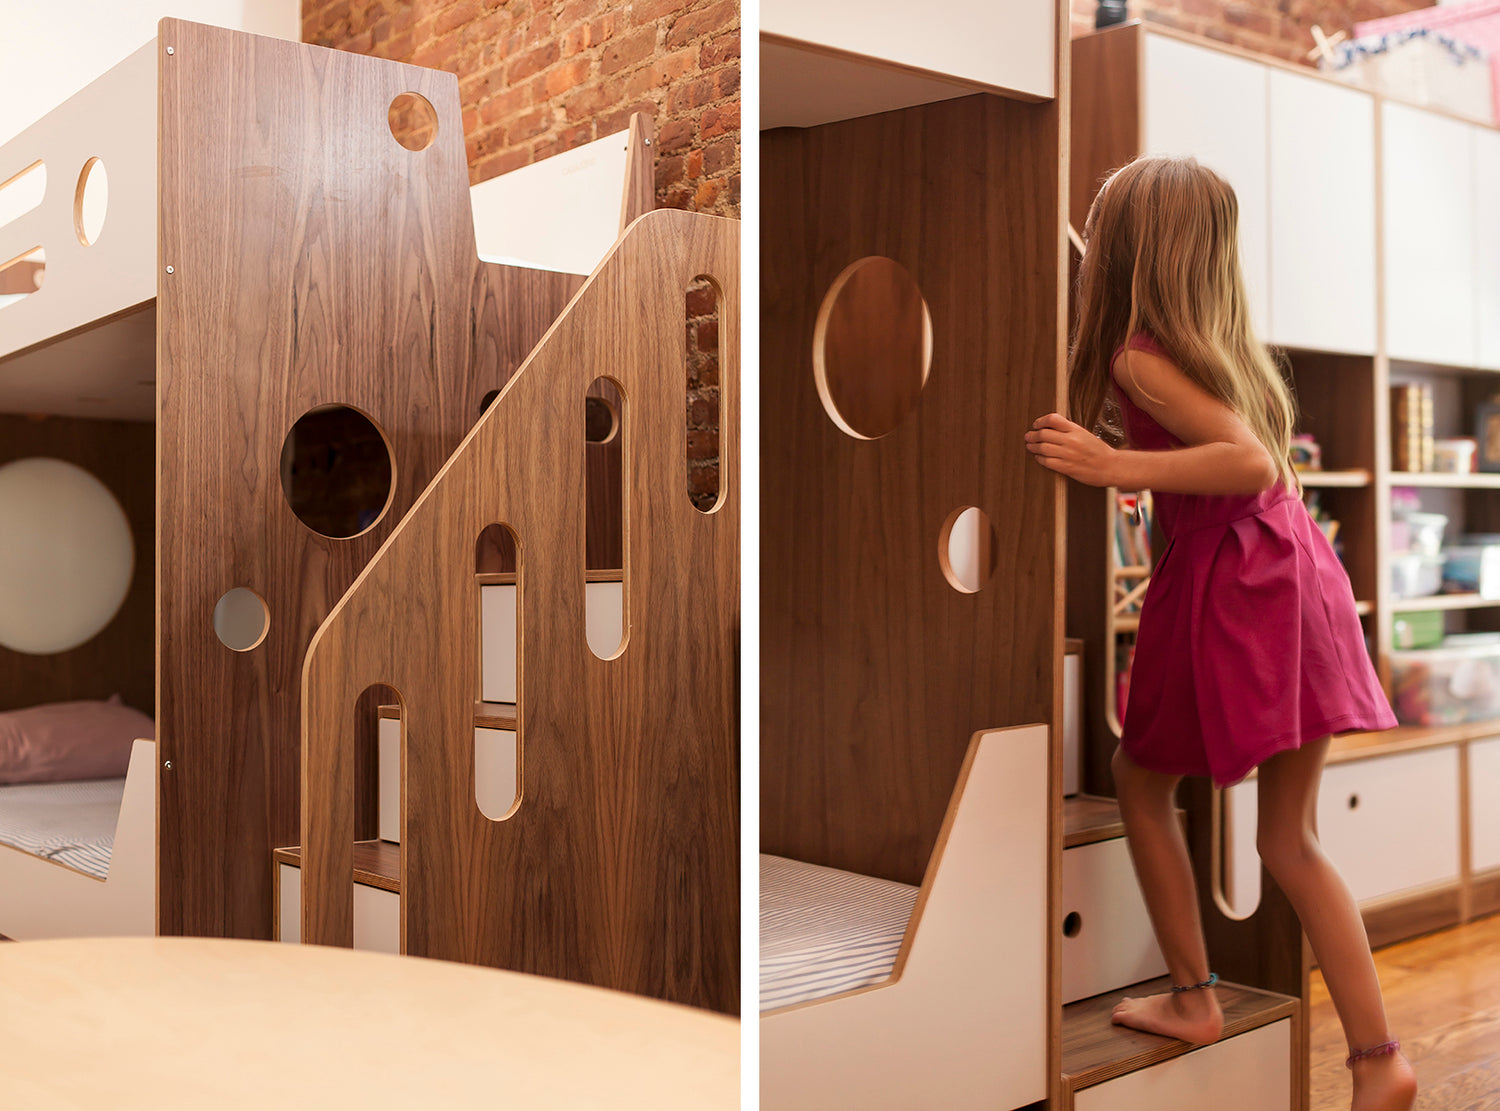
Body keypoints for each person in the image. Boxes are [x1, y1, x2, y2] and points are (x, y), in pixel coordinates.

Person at [1024, 155, 1417, 1111]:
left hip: (1237, 580)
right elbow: (1258, 464)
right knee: (1290, 838)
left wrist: (1110, 462)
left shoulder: (1138, 356)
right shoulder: (1223, 353)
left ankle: (1196, 994)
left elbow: (1242, 465)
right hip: (1295, 575)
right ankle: (1380, 1062)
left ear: (1123, 254)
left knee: (1138, 781)